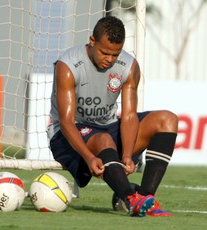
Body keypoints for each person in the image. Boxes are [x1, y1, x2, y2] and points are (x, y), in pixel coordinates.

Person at [48, 16, 178, 217]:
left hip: (107, 129)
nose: (109, 59)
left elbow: (128, 116)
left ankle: (144, 198)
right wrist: (90, 157)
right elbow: (66, 122)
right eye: (104, 52)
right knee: (103, 139)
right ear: (92, 41)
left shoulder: (129, 66)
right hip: (69, 136)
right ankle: (129, 196)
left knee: (167, 119)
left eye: (115, 54)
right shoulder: (68, 66)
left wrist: (127, 155)